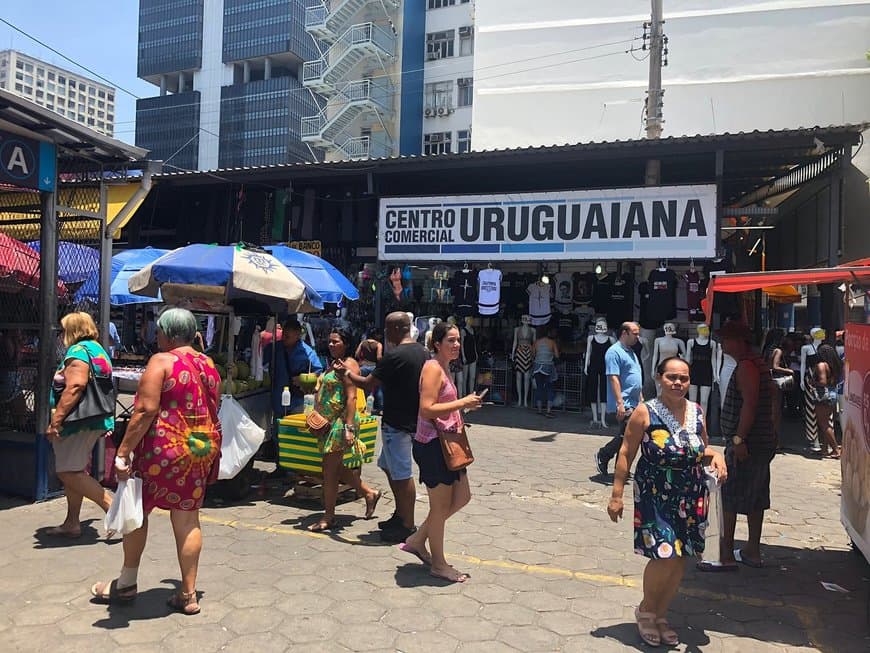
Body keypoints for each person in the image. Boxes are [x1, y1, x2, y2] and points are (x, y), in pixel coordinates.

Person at [91, 308, 222, 614]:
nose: (156, 336)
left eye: (159, 331)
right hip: (199, 450)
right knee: (188, 518)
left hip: (163, 450)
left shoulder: (161, 361)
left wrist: (122, 452)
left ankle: (126, 582)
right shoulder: (208, 364)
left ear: (167, 333)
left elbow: (145, 411)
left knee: (139, 508)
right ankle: (189, 595)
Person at [608, 357, 727, 646]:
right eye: (672, 377)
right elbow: (626, 452)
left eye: (683, 378)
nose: (678, 383)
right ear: (659, 378)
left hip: (691, 495)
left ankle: (661, 615)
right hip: (655, 494)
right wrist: (616, 494)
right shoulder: (644, 412)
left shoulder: (697, 412)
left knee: (681, 557)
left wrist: (718, 456)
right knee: (665, 554)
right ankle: (646, 611)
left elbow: (702, 448)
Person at [399, 322, 482, 582]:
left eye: (458, 340)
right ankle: (439, 564)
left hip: (448, 443)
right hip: (433, 446)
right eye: (451, 341)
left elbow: (442, 407)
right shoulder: (433, 368)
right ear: (437, 344)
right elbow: (426, 409)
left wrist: (461, 411)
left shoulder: (445, 367)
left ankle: (417, 538)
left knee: (463, 496)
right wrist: (463, 403)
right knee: (439, 508)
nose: (457, 345)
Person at [338, 312, 429, 543]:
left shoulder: (394, 355)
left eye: (388, 330)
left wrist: (346, 374)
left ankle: (407, 524)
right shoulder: (423, 352)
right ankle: (400, 513)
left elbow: (368, 384)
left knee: (401, 472)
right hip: (412, 419)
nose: (386, 335)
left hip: (397, 422)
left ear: (397, 329)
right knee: (388, 465)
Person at [44, 313, 115, 538]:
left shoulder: (77, 352)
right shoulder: (97, 349)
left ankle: (113, 508)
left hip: (76, 422)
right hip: (92, 419)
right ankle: (72, 522)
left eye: (64, 330)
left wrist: (56, 421)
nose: (61, 335)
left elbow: (75, 386)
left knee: (67, 472)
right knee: (74, 470)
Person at [307, 328, 381, 532]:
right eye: (329, 342)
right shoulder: (333, 364)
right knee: (335, 467)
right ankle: (368, 493)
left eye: (336, 342)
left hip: (340, 423)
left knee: (329, 472)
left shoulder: (349, 365)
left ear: (346, 343)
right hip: (326, 423)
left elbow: (351, 397)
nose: (331, 345)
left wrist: (348, 428)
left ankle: (328, 516)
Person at [717, 321, 775, 570]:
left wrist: (739, 439)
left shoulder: (747, 366)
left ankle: (727, 553)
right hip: (761, 440)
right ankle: (752, 550)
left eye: (725, 339)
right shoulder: (759, 364)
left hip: (747, 443)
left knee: (729, 496)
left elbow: (749, 405)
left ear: (738, 342)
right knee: (756, 496)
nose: (721, 344)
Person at [594, 322, 643, 475]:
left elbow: (635, 376)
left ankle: (620, 468)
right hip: (625, 402)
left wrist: (641, 398)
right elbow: (613, 378)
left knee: (627, 437)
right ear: (624, 333)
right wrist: (620, 403)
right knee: (629, 435)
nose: (638, 337)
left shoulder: (631, 352)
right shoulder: (614, 352)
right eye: (635, 333)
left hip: (635, 402)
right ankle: (604, 454)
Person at [264, 317, 323, 417]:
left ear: (297, 335)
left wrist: (303, 379)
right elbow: (261, 360)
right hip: (277, 400)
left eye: (287, 337)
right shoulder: (274, 348)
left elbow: (319, 372)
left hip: (297, 402)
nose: (283, 339)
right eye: (283, 335)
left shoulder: (307, 352)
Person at [811, 344, 842, 458]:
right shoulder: (833, 365)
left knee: (823, 424)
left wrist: (813, 382)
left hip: (823, 395)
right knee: (827, 423)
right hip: (832, 393)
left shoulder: (821, 365)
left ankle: (835, 449)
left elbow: (823, 382)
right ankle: (825, 449)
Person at [762, 328, 793, 441]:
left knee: (769, 410)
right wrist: (789, 371)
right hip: (776, 381)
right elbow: (775, 366)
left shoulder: (766, 350)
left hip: (767, 380)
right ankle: (774, 439)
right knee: (776, 412)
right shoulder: (778, 351)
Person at [531, 326, 560, 417]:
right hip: (548, 367)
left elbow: (533, 354)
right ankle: (548, 410)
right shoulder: (552, 342)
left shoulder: (536, 342)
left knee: (539, 388)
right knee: (550, 388)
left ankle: (539, 410)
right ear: (548, 333)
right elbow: (557, 355)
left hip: (537, 367)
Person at [355, 328, 383, 414]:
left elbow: (356, 354)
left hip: (363, 367)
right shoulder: (378, 344)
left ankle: (367, 407)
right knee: (378, 388)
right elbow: (379, 357)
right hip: (374, 367)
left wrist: (362, 360)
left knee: (365, 387)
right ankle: (380, 408)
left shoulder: (363, 343)